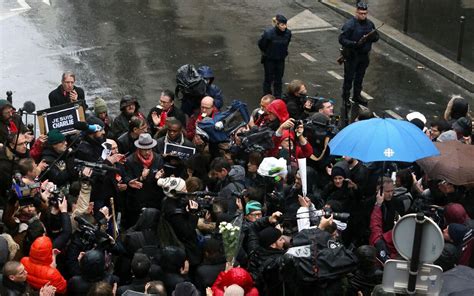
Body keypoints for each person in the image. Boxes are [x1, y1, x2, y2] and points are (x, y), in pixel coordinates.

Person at [339, 2, 379, 109]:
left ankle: (357, 96)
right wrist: (354, 44)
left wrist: (372, 37)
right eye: (361, 13)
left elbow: (376, 37)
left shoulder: (370, 24)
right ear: (356, 12)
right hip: (352, 55)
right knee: (349, 78)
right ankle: (346, 98)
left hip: (364, 56)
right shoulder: (349, 25)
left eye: (365, 13)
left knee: (359, 77)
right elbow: (342, 39)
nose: (363, 15)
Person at [258, 14, 292, 98]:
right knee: (268, 79)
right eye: (282, 25)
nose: (284, 27)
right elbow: (261, 44)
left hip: (280, 59)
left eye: (285, 24)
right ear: (277, 24)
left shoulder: (288, 33)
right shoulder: (269, 33)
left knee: (279, 79)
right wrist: (268, 53)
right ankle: (267, 96)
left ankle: (278, 97)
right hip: (269, 59)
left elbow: (286, 44)